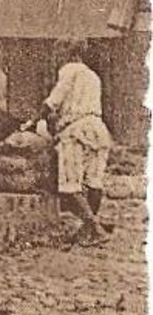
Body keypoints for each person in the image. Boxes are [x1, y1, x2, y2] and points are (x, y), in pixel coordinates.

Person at [37, 39, 114, 247]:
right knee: (94, 182)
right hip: (97, 128)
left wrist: (37, 118)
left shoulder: (69, 70)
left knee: (70, 186)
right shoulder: (93, 76)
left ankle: (95, 228)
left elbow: (54, 100)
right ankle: (87, 230)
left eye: (58, 52)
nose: (56, 57)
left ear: (67, 52)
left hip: (76, 130)